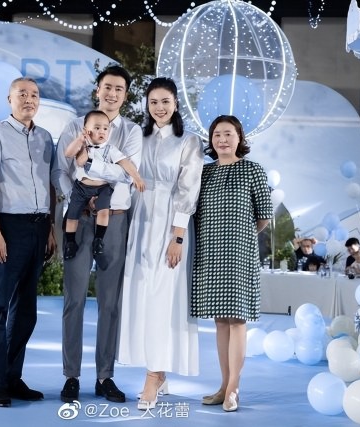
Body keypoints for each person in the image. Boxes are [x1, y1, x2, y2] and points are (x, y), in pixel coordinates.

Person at [52, 65, 142, 404]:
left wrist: (89, 169)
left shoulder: (131, 132)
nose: (112, 93)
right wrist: (78, 196)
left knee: (110, 302)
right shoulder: (75, 126)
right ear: (97, 90)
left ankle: (105, 376)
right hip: (78, 219)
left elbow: (127, 174)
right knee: (73, 299)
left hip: (113, 219)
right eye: (107, 87)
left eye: (119, 89)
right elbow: (60, 170)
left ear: (125, 95)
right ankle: (71, 376)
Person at [117, 77, 204, 411]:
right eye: (153, 102)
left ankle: (153, 376)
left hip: (170, 223)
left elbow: (188, 190)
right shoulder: (139, 138)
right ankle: (158, 368)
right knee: (141, 294)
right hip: (140, 221)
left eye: (165, 101)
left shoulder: (188, 141)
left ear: (176, 103)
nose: (159, 107)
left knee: (163, 297)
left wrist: (177, 236)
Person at [0, 76, 57, 408]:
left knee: (25, 311)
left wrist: (50, 228)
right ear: (9, 100)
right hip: (8, 227)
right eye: (22, 94)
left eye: (34, 95)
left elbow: (50, 185)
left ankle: (13, 376)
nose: (29, 99)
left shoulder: (46, 138)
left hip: (39, 228)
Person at [191, 115, 273, 412]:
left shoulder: (253, 170)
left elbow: (264, 217)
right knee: (220, 321)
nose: (222, 139)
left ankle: (234, 388)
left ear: (239, 137)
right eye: (217, 134)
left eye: (228, 134)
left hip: (239, 254)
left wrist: (239, 234)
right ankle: (223, 385)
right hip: (210, 253)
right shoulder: (203, 172)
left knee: (237, 319)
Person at [62, 110, 145, 261]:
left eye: (105, 128)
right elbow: (68, 154)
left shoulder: (110, 149)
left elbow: (125, 163)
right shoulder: (83, 146)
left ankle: (99, 239)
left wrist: (137, 177)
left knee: (104, 211)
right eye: (97, 128)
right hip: (81, 186)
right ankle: (70, 241)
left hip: (102, 188)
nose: (102, 131)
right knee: (72, 215)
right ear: (86, 130)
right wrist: (80, 140)